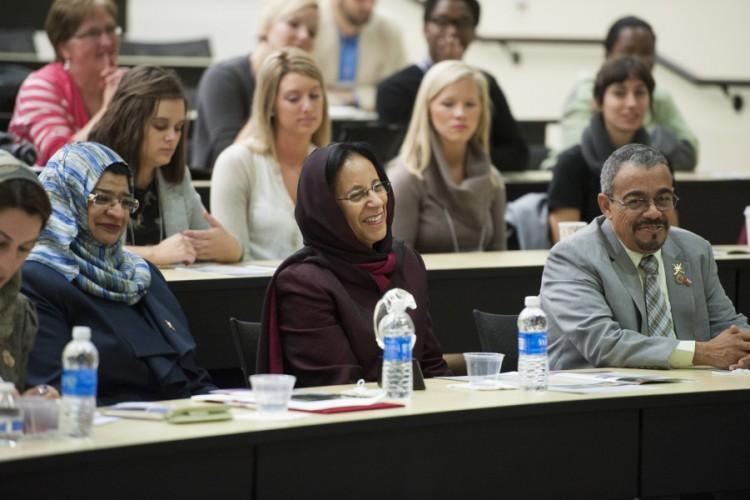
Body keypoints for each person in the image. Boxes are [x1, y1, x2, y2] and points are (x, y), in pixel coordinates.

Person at [22, 142, 215, 405]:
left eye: (125, 201)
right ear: (66, 197)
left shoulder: (140, 274)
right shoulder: (39, 279)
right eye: (101, 198)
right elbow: (57, 396)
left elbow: (194, 374)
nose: (117, 212)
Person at [541, 143, 750, 371]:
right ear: (606, 206)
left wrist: (744, 350)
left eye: (663, 199)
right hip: (598, 401)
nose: (653, 212)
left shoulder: (694, 250)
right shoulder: (572, 257)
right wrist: (703, 353)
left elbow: (728, 326)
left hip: (690, 392)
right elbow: (605, 344)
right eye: (636, 201)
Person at [258, 142, 449, 387]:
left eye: (378, 186)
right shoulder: (303, 282)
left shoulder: (406, 262)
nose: (377, 202)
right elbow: (338, 385)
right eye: (357, 194)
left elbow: (430, 365)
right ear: (326, 209)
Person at [90, 66, 241, 265]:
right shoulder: (91, 167)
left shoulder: (177, 177)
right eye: (160, 126)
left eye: (178, 128)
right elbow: (83, 249)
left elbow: (207, 239)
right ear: (130, 122)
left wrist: (231, 248)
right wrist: (153, 255)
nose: (172, 137)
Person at [547, 56, 687, 244]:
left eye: (640, 93)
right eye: (619, 93)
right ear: (598, 102)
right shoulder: (571, 163)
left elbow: (670, 236)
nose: (631, 103)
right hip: (590, 269)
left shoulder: (660, 163)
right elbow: (566, 245)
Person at [376, 0, 528, 171]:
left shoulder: (486, 83)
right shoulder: (394, 89)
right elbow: (405, 153)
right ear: (426, 29)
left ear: (473, 32)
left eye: (462, 23)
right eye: (441, 21)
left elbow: (517, 155)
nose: (452, 31)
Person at [211, 48, 331, 261]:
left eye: (314, 96)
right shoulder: (236, 162)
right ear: (271, 104)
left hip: (323, 287)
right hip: (256, 290)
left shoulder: (331, 164)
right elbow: (231, 257)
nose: (308, 106)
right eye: (294, 98)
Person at [549, 15, 698, 170]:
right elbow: (582, 153)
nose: (638, 60)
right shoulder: (587, 92)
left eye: (646, 52)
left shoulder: (660, 97)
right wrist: (659, 139)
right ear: (608, 55)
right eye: (628, 51)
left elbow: (689, 154)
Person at [389, 60, 506, 253]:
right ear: (427, 108)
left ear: (482, 111)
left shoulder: (492, 179)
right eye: (448, 104)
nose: (460, 114)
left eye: (470, 104)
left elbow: (500, 255)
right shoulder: (406, 179)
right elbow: (399, 265)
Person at [191, 0, 319, 169]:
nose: (304, 36)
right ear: (266, 26)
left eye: (312, 32)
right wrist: (271, 89)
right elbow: (229, 158)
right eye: (293, 24)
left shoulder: (302, 85)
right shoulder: (222, 77)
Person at [9, 0, 125, 166]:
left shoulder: (127, 84)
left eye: (110, 30)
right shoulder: (40, 86)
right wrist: (109, 109)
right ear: (64, 48)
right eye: (93, 33)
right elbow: (61, 160)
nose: (107, 42)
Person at [0, 152, 59, 398]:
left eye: (24, 249)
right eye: (0, 243)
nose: (7, 264)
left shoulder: (18, 312)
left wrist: (29, 404)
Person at [313, 0, 405, 110]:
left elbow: (396, 92)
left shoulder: (389, 32)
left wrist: (354, 98)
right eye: (360, 0)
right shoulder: (307, 24)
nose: (368, 6)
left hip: (369, 122)